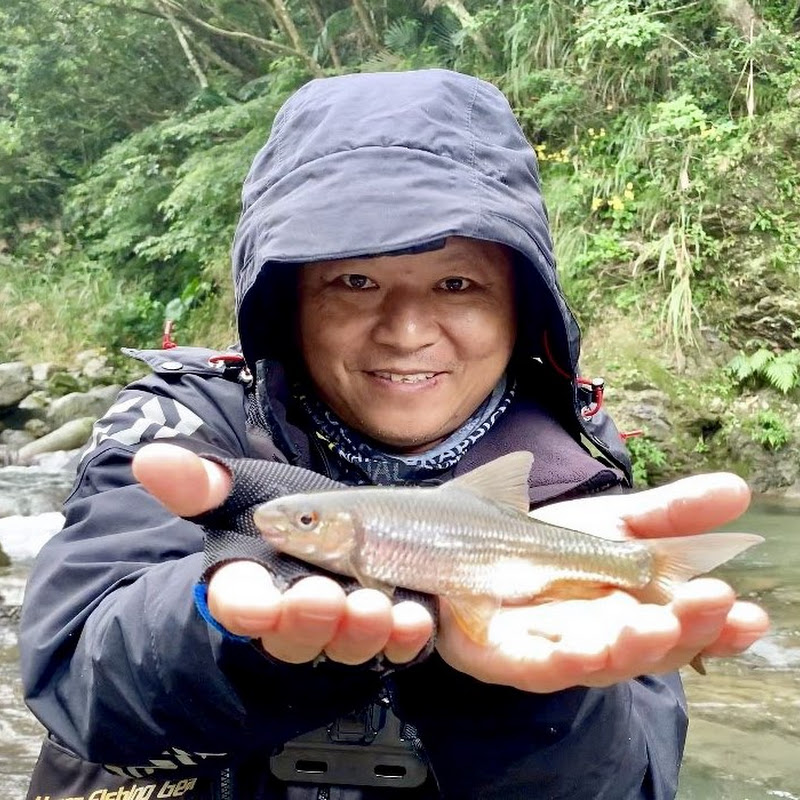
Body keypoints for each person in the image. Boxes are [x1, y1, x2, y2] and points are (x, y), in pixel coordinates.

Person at [19, 69, 768, 800]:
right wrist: (228, 625)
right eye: (355, 282)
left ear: (520, 306)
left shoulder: (578, 474)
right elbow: (75, 686)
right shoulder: (184, 430)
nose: (407, 332)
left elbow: (634, 786)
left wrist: (503, 683)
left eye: (456, 284)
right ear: (289, 305)